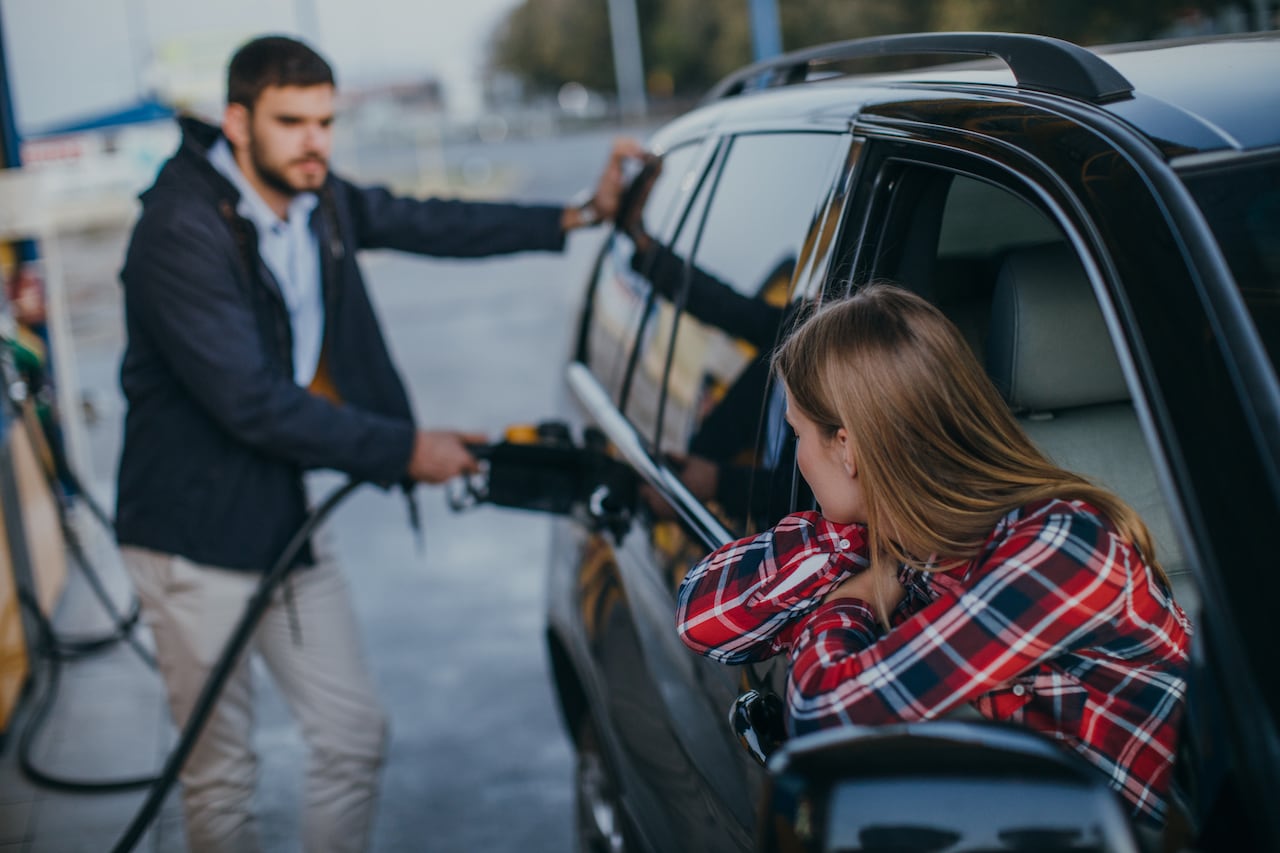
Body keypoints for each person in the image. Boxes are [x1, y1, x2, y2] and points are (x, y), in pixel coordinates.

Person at [114, 34, 641, 853]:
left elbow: (427, 219)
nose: (314, 141)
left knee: (353, 734)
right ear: (237, 122)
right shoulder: (180, 229)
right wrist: (404, 449)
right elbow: (250, 402)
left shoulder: (315, 197)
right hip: (191, 537)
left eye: (325, 121)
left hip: (283, 516)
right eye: (291, 122)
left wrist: (579, 213)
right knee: (220, 777)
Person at [675, 284, 1192, 827]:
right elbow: (700, 618)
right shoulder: (909, 545)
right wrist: (847, 538)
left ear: (847, 448)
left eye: (797, 433)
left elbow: (825, 720)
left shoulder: (1061, 549)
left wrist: (852, 600)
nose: (797, 455)